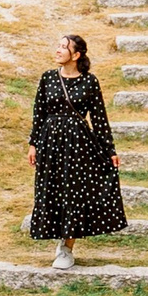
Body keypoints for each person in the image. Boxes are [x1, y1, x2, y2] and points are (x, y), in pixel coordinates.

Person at [28, 32, 125, 269]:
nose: (58, 50)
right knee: (52, 190)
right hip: (50, 144)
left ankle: (66, 248)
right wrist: (33, 144)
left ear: (76, 55)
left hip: (78, 145)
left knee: (73, 193)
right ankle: (58, 237)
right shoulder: (48, 78)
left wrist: (109, 150)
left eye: (64, 47)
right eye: (58, 45)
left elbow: (99, 119)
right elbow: (39, 113)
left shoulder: (89, 81)